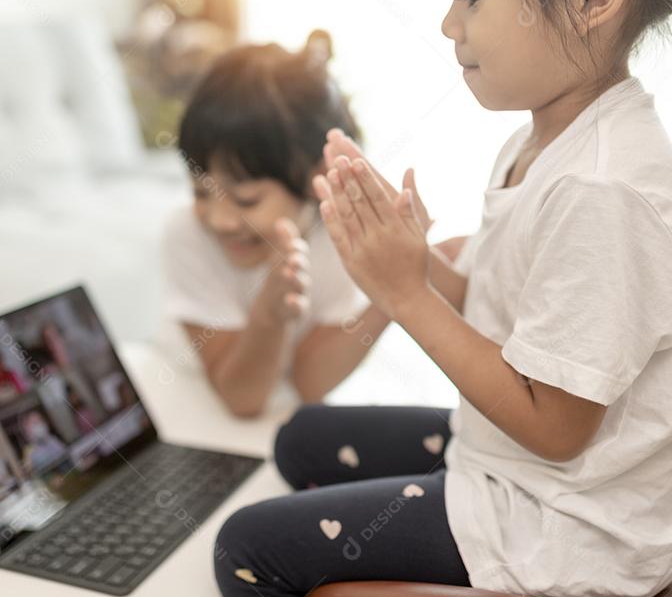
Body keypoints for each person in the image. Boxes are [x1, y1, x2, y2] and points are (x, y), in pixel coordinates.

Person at [212, 0, 672, 597]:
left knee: (245, 552)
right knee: (300, 440)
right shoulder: (544, 140)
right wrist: (407, 255)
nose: (449, 23)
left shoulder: (601, 192)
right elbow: (497, 302)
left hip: (567, 531)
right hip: (525, 473)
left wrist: (406, 295)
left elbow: (555, 429)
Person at [162, 31, 468, 417]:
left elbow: (307, 383)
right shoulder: (189, 236)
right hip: (191, 404)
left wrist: (397, 285)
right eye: (200, 192)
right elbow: (242, 400)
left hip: (286, 416)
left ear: (316, 177)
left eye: (246, 200)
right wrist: (269, 316)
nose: (219, 219)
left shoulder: (338, 237)